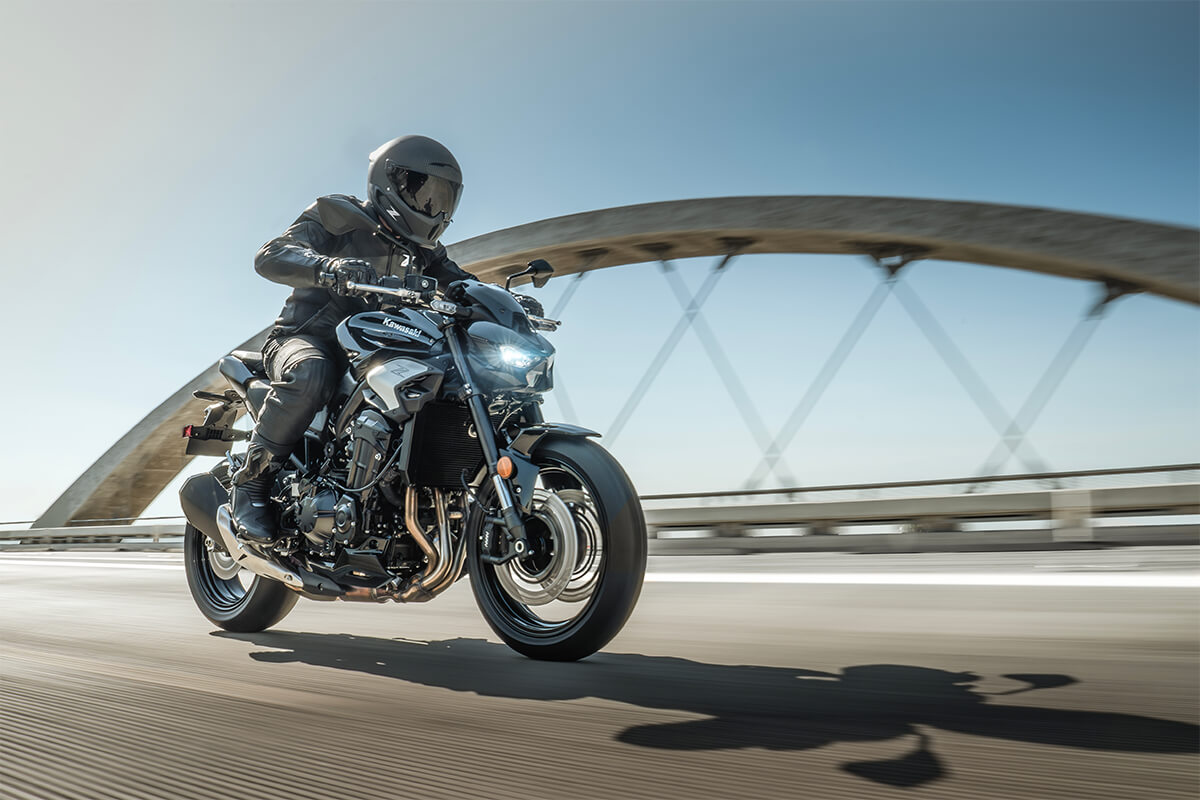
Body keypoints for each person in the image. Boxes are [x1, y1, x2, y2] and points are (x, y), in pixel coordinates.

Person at [230, 135, 478, 545]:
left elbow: (462, 285)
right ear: (390, 182)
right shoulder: (336, 214)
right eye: (423, 192)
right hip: (306, 339)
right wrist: (328, 267)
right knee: (311, 373)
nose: (432, 208)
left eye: (442, 198)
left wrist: (504, 300)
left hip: (376, 349)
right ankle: (251, 486)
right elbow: (272, 254)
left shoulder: (427, 252)